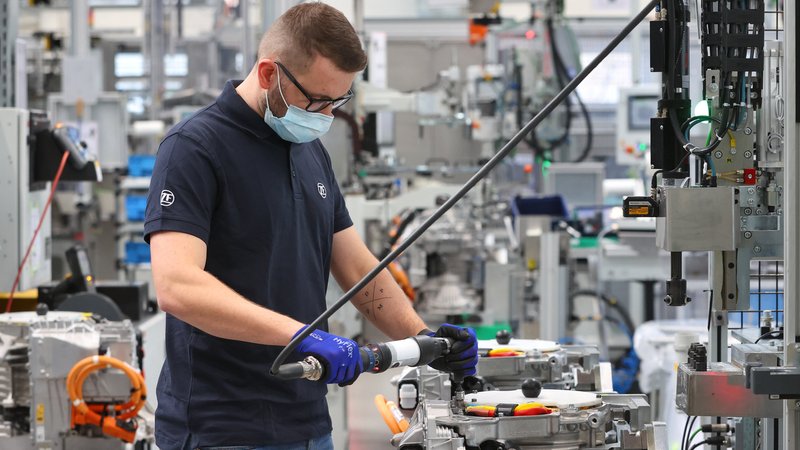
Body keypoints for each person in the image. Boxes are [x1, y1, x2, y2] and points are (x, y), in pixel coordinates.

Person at [144, 3, 478, 450]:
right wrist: (302, 336)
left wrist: (424, 341)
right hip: (220, 427)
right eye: (316, 101)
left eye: (337, 102)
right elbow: (178, 286)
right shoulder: (194, 148)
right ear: (268, 74)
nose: (325, 115)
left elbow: (357, 268)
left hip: (306, 421)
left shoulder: (309, 150)